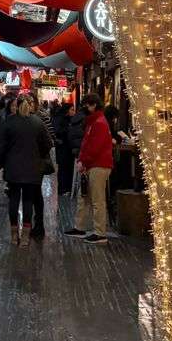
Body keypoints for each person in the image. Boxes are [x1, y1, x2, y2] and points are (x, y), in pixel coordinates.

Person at [0, 96, 53, 245]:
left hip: (13, 168)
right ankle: (26, 236)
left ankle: (14, 235)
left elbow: (0, 146)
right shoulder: (38, 123)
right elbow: (48, 144)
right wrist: (38, 155)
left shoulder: (9, 122)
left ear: (17, 106)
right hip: (33, 169)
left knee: (13, 200)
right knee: (28, 200)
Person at [65, 94, 113, 244]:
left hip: (98, 165)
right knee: (84, 196)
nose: (84, 108)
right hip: (92, 165)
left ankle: (100, 232)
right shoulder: (94, 122)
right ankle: (80, 227)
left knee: (97, 200)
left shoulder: (98, 123)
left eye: (86, 105)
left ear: (93, 105)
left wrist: (83, 161)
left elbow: (94, 147)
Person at [53, 102, 80, 197]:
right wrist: (68, 129)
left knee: (67, 168)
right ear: (67, 111)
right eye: (72, 109)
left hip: (68, 148)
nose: (74, 111)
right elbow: (57, 131)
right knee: (63, 169)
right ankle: (62, 189)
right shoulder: (60, 119)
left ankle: (67, 188)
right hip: (62, 148)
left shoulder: (71, 120)